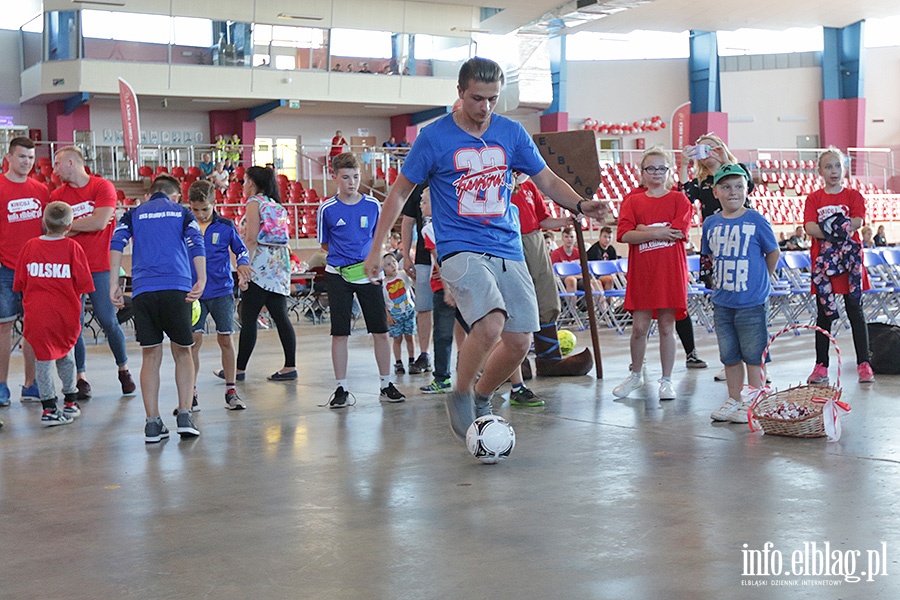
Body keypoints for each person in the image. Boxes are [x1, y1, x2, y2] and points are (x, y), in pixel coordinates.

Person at [362, 57, 607, 440]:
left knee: (520, 339)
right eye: (477, 98)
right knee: (491, 321)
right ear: (460, 94)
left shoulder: (511, 132)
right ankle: (459, 392)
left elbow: (546, 178)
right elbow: (398, 193)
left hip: (507, 245)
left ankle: (481, 394)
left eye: (492, 99)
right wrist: (377, 249)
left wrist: (579, 204)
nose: (485, 107)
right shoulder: (434, 137)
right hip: (460, 246)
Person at [109, 175, 206, 442]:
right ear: (175, 196)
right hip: (176, 287)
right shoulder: (182, 213)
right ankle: (185, 415)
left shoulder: (133, 213)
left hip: (143, 290)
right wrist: (202, 278)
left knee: (150, 356)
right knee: (183, 352)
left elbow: (116, 243)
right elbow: (197, 243)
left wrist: (113, 284)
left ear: (151, 194)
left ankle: (152, 424)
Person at [318, 152, 405, 407]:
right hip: (338, 275)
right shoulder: (327, 208)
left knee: (380, 330)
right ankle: (341, 388)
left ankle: (386, 383)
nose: (351, 182)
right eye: (345, 177)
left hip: (369, 275)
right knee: (340, 333)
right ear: (335, 177)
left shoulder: (373, 205)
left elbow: (379, 237)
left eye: (355, 177)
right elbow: (325, 244)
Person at [52, 146, 135, 399]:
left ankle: (123, 369)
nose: (54, 170)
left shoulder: (102, 187)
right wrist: (80, 226)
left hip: (100, 267)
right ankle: (81, 377)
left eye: (57, 163)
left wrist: (69, 226)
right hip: (71, 267)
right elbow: (55, 230)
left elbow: (100, 221)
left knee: (109, 320)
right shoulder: (57, 195)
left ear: (70, 163)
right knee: (75, 325)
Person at [701, 165, 780, 423]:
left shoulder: (756, 220)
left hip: (751, 302)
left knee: (753, 354)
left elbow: (773, 252)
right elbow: (709, 256)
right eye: (725, 187)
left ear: (747, 189)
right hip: (724, 301)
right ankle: (735, 399)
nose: (732, 192)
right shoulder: (710, 223)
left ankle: (755, 402)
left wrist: (763, 279)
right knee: (730, 355)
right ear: (715, 191)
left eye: (738, 186)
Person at [613, 146, 691, 401]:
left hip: (670, 272)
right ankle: (636, 374)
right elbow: (625, 234)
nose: (656, 173)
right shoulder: (633, 201)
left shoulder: (680, 200)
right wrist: (657, 231)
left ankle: (667, 380)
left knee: (668, 326)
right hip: (643, 273)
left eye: (661, 168)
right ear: (642, 172)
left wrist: (644, 229)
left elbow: (678, 232)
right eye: (651, 168)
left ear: (669, 171)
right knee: (639, 327)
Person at [13, 202, 94, 426]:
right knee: (65, 356)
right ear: (69, 226)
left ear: (43, 222)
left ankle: (51, 406)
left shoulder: (29, 247)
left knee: (44, 359)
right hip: (65, 314)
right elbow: (84, 284)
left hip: (37, 314)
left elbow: (19, 281)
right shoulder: (73, 248)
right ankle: (66, 401)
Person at [804, 147, 874, 384]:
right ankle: (821, 365)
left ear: (844, 169)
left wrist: (829, 229)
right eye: (828, 166)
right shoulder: (814, 198)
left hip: (849, 264)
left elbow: (857, 221)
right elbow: (809, 227)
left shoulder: (854, 195)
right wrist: (837, 229)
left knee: (856, 311)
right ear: (820, 171)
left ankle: (864, 363)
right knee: (824, 315)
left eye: (837, 166)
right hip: (824, 267)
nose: (833, 171)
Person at [510, 173, 592, 377]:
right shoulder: (499, 185)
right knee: (516, 303)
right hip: (510, 242)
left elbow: (542, 220)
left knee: (546, 300)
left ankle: (549, 359)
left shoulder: (529, 187)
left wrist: (567, 220)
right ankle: (513, 361)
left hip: (535, 241)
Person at [187, 180, 251, 411]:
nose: (200, 214)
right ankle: (190, 394)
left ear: (214, 204)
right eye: (195, 209)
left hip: (222, 291)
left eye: (205, 209)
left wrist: (243, 265)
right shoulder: (185, 227)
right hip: (193, 293)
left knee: (226, 339)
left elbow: (241, 250)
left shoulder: (225, 226)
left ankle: (231, 391)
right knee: (193, 342)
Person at [233, 166, 297, 381]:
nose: (243, 185)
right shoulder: (275, 204)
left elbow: (251, 239)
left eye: (244, 180)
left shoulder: (254, 203)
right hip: (278, 267)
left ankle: (239, 370)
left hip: (259, 267)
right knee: (281, 317)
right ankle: (290, 366)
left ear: (251, 182)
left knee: (248, 318)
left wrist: (244, 268)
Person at [0, 137, 47, 406]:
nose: (27, 162)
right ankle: (1, 385)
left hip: (35, 271)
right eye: (22, 157)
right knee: (3, 327)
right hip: (5, 269)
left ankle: (31, 384)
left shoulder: (41, 190)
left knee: (33, 329)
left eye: (30, 157)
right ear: (9, 157)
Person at [679, 133, 755, 220]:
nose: (707, 151)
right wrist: (684, 164)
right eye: (701, 150)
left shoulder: (739, 169)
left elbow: (749, 186)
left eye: (711, 147)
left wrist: (725, 161)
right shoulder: (701, 181)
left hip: (743, 222)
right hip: (715, 227)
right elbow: (685, 197)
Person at [400, 183, 434, 374]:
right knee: (423, 306)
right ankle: (424, 353)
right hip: (423, 256)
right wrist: (406, 254)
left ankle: (463, 352)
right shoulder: (419, 186)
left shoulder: (451, 178)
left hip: (451, 255)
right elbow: (407, 221)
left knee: (456, 308)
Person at [381, 253, 417, 375]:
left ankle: (412, 361)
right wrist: (388, 316)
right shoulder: (384, 284)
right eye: (387, 265)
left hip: (409, 311)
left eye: (393, 262)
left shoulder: (403, 274)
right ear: (382, 269)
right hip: (395, 315)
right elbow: (384, 302)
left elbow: (412, 285)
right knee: (397, 339)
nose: (392, 265)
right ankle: (398, 362)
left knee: (410, 337)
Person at [586, 226, 619, 290]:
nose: (607, 240)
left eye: (609, 237)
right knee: (609, 280)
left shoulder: (611, 249)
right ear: (600, 237)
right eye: (605, 237)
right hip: (597, 275)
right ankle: (607, 299)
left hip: (610, 273)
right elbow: (595, 269)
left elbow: (615, 265)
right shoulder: (594, 250)